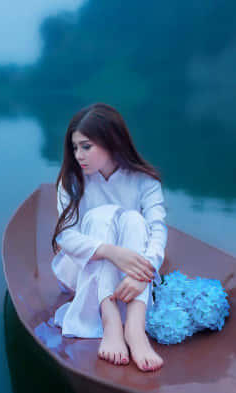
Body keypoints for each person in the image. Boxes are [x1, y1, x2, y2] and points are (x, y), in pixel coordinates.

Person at [50, 103, 166, 372]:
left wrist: (143, 272)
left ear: (111, 141)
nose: (79, 155)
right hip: (78, 271)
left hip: (132, 275)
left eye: (86, 146)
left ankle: (135, 328)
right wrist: (112, 252)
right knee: (103, 216)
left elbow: (157, 230)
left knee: (135, 220)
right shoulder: (71, 182)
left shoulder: (144, 180)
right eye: (75, 147)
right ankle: (111, 321)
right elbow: (66, 237)